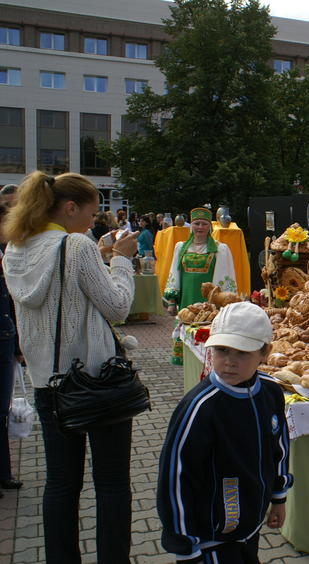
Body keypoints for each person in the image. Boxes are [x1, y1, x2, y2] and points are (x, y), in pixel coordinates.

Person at [2, 170, 138, 563]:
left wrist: (101, 255)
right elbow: (117, 306)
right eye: (93, 214)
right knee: (112, 482)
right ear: (70, 207)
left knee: (61, 483)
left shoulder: (17, 247)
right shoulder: (75, 246)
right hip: (98, 381)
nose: (95, 222)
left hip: (50, 383)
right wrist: (122, 261)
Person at [157, 301, 293, 563]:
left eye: (242, 353)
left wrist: (278, 496)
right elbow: (175, 477)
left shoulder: (271, 392)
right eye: (221, 350)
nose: (229, 362)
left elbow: (279, 448)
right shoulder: (199, 407)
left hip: (250, 526)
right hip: (212, 538)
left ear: (265, 352)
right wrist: (185, 545)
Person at [164, 207, 236, 364]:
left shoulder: (220, 249)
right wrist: (171, 301)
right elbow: (174, 273)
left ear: (209, 227)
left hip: (208, 302)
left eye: (204, 224)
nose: (200, 227)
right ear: (191, 226)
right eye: (197, 223)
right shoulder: (181, 247)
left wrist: (220, 303)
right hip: (186, 298)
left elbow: (224, 277)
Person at [0, 202, 23, 496]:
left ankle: (4, 472)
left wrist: (17, 345)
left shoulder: (7, 254)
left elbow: (10, 305)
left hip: (5, 339)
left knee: (2, 411)